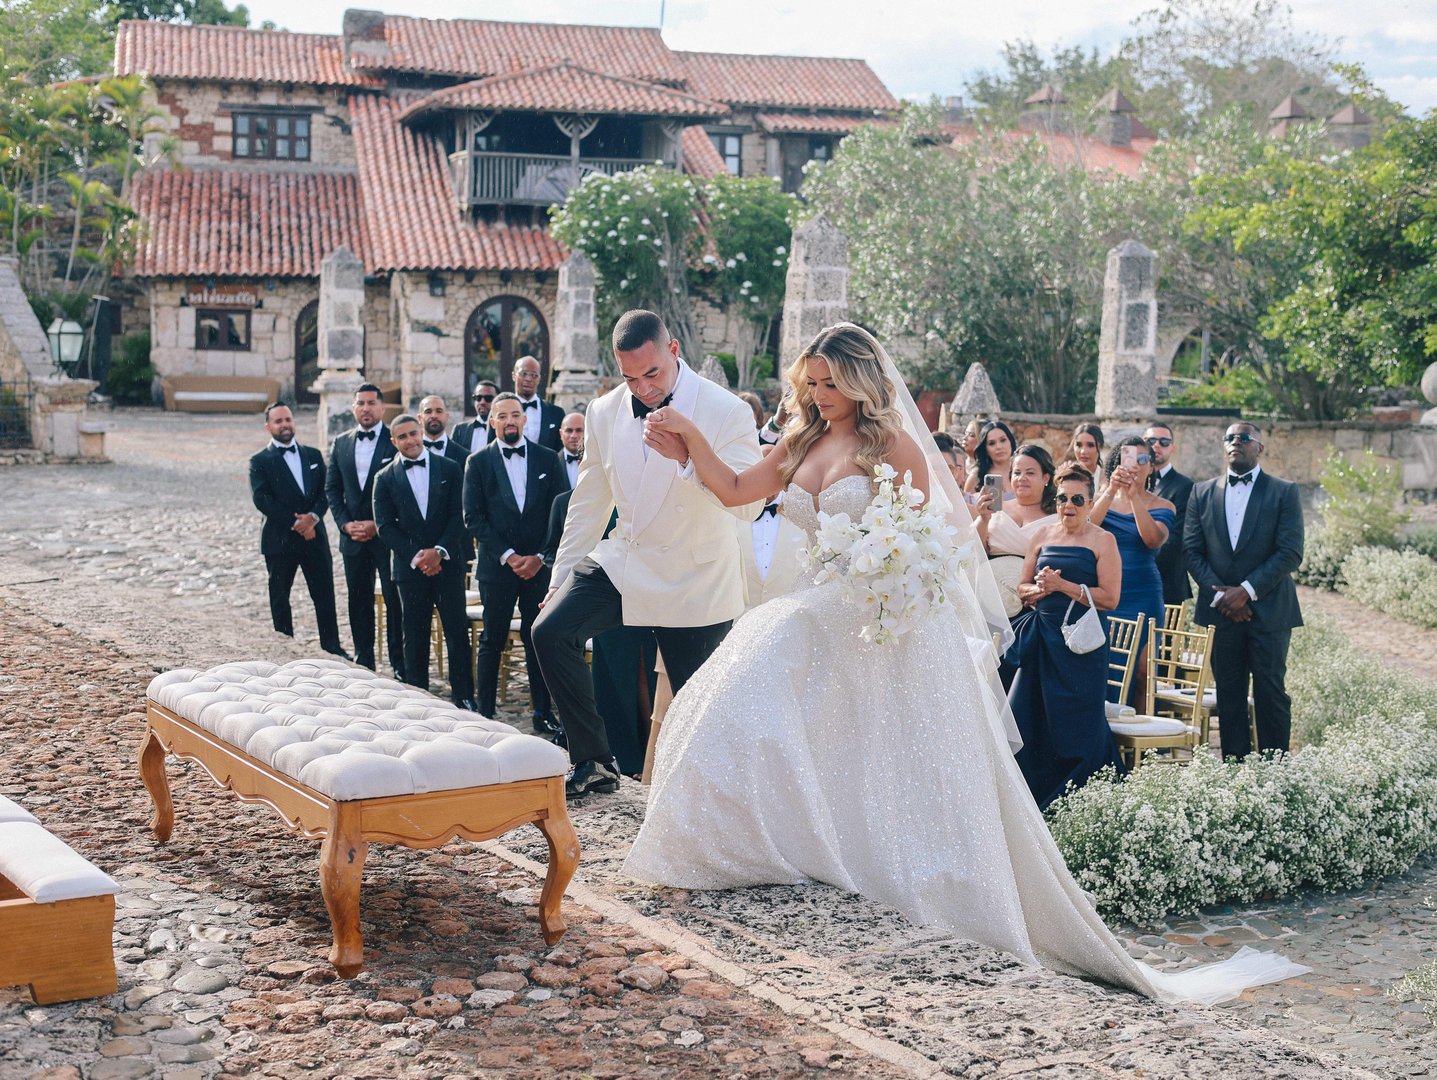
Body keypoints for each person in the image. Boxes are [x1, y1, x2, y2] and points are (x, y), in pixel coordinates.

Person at [627, 323, 1303, 1006]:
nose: (821, 394)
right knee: (751, 684)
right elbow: (738, 488)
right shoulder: (801, 438)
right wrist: (689, 441)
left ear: (862, 381)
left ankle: (851, 864)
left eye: (832, 383)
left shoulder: (889, 443)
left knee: (835, 719)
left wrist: (884, 574)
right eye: (813, 382)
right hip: (817, 600)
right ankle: (756, 840)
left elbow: (927, 537)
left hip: (878, 613)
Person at [533, 310, 762, 798]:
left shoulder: (727, 410)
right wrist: (560, 578)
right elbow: (590, 502)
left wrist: (687, 460)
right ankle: (593, 760)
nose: (641, 388)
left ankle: (725, 806)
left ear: (673, 350)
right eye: (629, 376)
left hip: (697, 577)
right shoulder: (602, 411)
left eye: (651, 373)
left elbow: (749, 508)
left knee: (701, 709)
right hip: (627, 561)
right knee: (550, 630)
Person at [1008, 464, 1126, 808]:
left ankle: (1086, 799)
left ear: (1090, 502)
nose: (1068, 505)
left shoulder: (1104, 540)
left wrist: (1063, 586)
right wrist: (1039, 590)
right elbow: (1021, 587)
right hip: (1043, 641)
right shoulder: (1042, 538)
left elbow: (1110, 598)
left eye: (1077, 499)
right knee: (1032, 716)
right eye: (1062, 498)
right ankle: (1035, 801)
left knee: (1079, 724)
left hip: (1081, 647)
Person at [1184, 423, 1304, 759]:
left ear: (1260, 448)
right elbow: (1192, 551)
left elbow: (1291, 551)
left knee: (1271, 692)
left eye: (1245, 437)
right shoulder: (1201, 492)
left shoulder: (1284, 491)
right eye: (1230, 437)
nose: (1236, 442)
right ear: (1223, 447)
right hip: (1221, 613)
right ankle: (1234, 769)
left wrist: (1247, 591)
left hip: (1270, 611)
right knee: (1229, 693)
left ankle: (1274, 771)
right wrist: (1224, 597)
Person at [464, 393, 569, 733]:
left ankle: (542, 713)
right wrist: (509, 556)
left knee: (537, 637)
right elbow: (474, 518)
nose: (510, 420)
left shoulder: (547, 459)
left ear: (525, 420)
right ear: (491, 422)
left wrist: (540, 557)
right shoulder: (477, 463)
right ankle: (484, 713)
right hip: (497, 568)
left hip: (538, 567)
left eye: (515, 414)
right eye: (502, 415)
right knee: (492, 638)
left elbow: (560, 511)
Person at [373, 414, 475, 710]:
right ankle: (418, 697)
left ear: (422, 433)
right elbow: (385, 526)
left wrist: (439, 551)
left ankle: (464, 696)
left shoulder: (450, 468)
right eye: (402, 437)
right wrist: (418, 556)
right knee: (413, 633)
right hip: (410, 569)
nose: (410, 440)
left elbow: (460, 514)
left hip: (448, 564)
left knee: (456, 631)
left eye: (413, 434)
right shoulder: (385, 478)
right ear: (394, 442)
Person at [248, 402, 347, 658]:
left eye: (288, 419)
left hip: (315, 537)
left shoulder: (313, 456)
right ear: (268, 426)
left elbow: (326, 492)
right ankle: (285, 648)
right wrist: (296, 524)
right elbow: (262, 499)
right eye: (278, 421)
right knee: (280, 597)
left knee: (324, 594)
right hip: (279, 540)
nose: (285, 425)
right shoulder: (259, 461)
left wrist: (312, 518)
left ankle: (332, 646)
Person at [1088, 437, 1176, 707]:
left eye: (1143, 460)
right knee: (1104, 669)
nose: (1136, 465)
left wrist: (1135, 496)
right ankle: (1108, 741)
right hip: (1106, 592)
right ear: (1118, 462)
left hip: (1143, 594)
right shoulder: (1101, 499)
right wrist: (1111, 491)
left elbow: (1153, 540)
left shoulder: (1164, 505)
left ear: (1151, 467)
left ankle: (1144, 745)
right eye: (1130, 458)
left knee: (1142, 673)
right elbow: (1085, 529)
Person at [325, 383, 401, 675]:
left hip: (386, 537)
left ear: (382, 408)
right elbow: (332, 489)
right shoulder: (341, 442)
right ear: (354, 408)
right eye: (361, 403)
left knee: (394, 600)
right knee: (358, 598)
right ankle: (364, 657)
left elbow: (399, 490)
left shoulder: (393, 440)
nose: (366, 408)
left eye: (371, 403)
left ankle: (398, 662)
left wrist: (377, 524)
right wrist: (345, 524)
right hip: (353, 537)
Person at [975, 442, 1058, 689]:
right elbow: (976, 550)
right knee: (989, 671)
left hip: (1032, 607)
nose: (1022, 478)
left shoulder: (1058, 514)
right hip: (990, 603)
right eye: (1017, 472)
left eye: (1030, 472)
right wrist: (982, 519)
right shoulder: (997, 509)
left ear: (1046, 477)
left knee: (1019, 676)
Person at [1145, 423, 1194, 607]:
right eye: (1151, 441)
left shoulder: (1185, 486)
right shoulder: (1133, 484)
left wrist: (1138, 565)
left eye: (1164, 441)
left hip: (1167, 586)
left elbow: (1176, 540)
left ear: (1172, 447)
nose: (1156, 445)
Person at [512, 355, 565, 451]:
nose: (528, 379)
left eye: (534, 375)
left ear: (539, 379)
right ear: (514, 376)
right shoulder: (500, 411)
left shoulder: (556, 413)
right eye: (524, 374)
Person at [964, 419, 1016, 497]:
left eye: (1003, 440)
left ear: (1011, 442)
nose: (999, 447)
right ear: (985, 449)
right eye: (992, 443)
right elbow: (966, 507)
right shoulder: (976, 477)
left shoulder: (1023, 472)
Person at [417, 395, 469, 467]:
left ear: (447, 417)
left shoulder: (465, 456)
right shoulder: (407, 453)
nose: (434, 415)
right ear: (420, 418)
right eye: (428, 411)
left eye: (439, 411)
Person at [451, 381, 499, 453]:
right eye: (478, 398)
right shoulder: (460, 429)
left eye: (488, 398)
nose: (482, 402)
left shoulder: (502, 429)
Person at [558, 411, 585, 490]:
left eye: (579, 430)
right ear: (561, 434)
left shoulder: (596, 461)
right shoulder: (551, 464)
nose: (573, 436)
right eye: (569, 431)